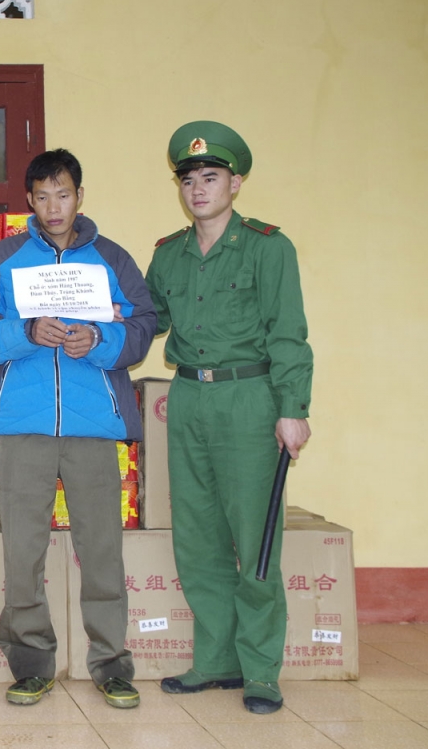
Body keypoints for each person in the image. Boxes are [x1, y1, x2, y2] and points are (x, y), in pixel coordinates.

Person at [0, 148, 156, 708]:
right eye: (43, 196)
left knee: (101, 550)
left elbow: (143, 327)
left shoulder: (112, 260)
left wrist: (100, 341)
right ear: (29, 199)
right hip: (22, 426)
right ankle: (30, 662)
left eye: (64, 194)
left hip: (95, 425)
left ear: (80, 195)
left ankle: (112, 663)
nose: (54, 206)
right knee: (23, 551)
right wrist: (27, 332)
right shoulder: (1, 260)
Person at [145, 121, 313, 714]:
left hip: (249, 399)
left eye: (211, 177)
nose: (198, 189)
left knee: (255, 539)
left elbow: (289, 333)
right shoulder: (169, 254)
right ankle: (215, 660)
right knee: (198, 538)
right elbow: (146, 319)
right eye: (188, 179)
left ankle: (261, 670)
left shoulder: (269, 247)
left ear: (235, 183)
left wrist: (292, 409)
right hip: (188, 398)